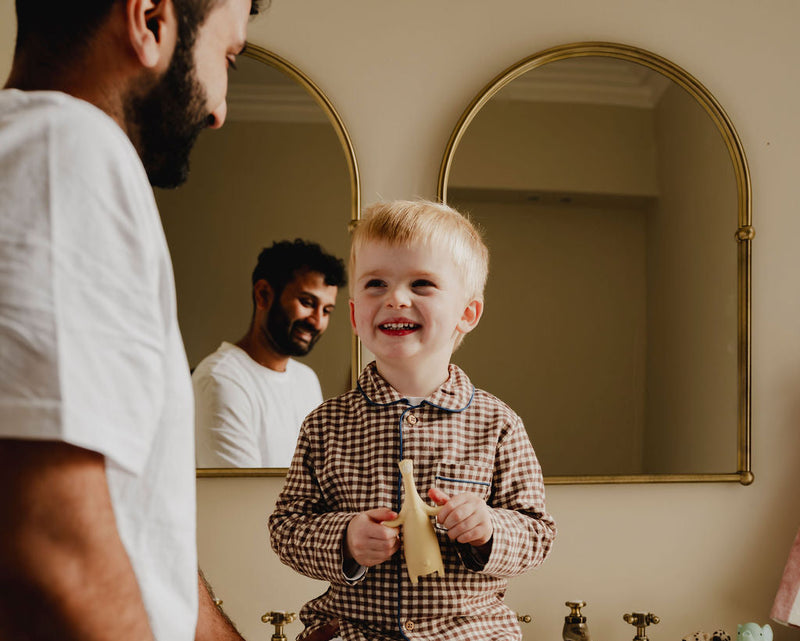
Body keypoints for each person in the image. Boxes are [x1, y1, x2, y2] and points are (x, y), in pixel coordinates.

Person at [0, 0, 262, 639]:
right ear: (149, 21)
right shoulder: (66, 146)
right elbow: (56, 559)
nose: (221, 110)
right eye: (226, 56)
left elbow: (136, 529)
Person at [269, 200, 557, 641]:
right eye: (376, 284)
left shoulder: (497, 424)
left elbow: (537, 532)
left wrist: (489, 529)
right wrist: (344, 537)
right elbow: (287, 527)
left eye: (421, 284)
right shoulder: (325, 425)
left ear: (467, 313)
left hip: (470, 632)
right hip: (351, 630)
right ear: (354, 315)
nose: (395, 298)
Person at [193, 239, 347, 468]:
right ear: (263, 294)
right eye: (307, 302)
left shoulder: (306, 379)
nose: (317, 321)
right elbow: (242, 497)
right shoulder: (220, 380)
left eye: (326, 310)